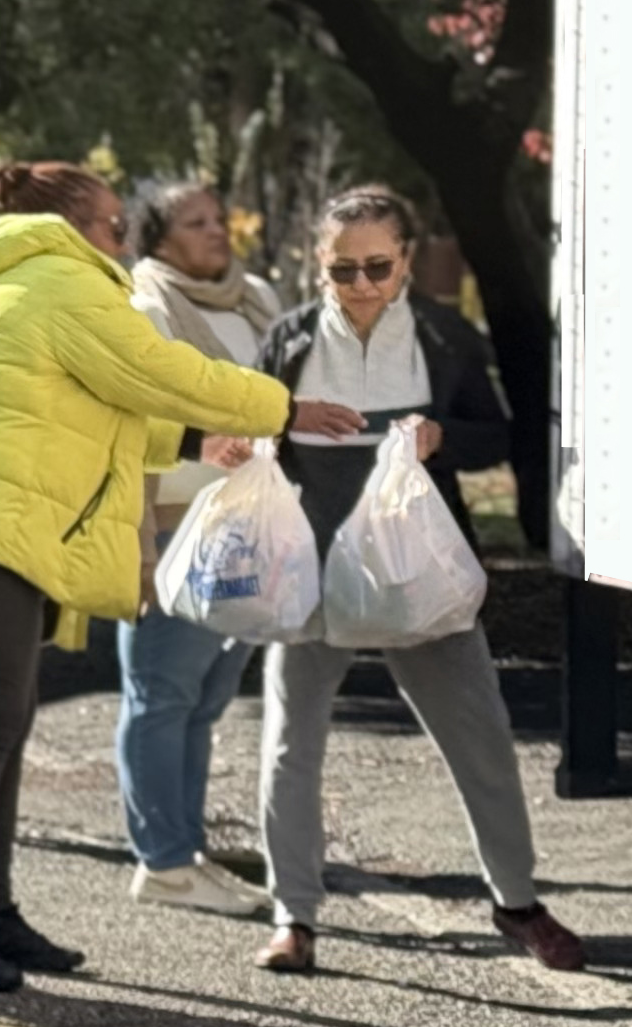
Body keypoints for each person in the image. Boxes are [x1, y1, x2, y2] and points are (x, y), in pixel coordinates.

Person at [0, 162, 357, 993]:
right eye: (118, 225)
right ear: (74, 227)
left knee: (0, 720)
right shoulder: (64, 282)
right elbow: (163, 372)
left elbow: (104, 404)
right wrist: (278, 407)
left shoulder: (5, 282)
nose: (125, 240)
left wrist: (194, 444)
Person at [246, 189, 586, 977]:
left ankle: (516, 902)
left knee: (482, 739)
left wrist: (441, 437)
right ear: (317, 265)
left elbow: (500, 433)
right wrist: (268, 431)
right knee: (290, 746)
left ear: (405, 259)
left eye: (377, 266)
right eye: (342, 270)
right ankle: (292, 916)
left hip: (420, 573)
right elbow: (250, 427)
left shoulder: (441, 336)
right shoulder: (290, 339)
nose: (361, 284)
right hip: (315, 572)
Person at [120, 181, 285, 913]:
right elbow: (136, 421)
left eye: (219, 219)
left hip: (251, 520)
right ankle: (162, 860)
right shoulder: (145, 306)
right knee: (162, 690)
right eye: (195, 223)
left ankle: (187, 851)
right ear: (159, 240)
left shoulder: (257, 300)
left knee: (207, 698)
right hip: (178, 521)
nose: (216, 233)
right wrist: (142, 541)